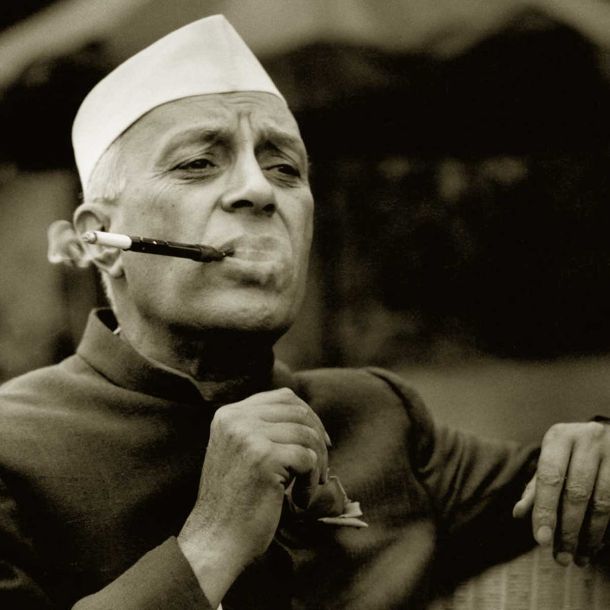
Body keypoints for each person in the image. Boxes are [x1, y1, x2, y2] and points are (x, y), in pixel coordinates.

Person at [1, 14, 609, 610]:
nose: (259, 190)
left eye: (285, 169)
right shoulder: (13, 448)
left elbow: (575, 494)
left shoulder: (379, 418)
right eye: (197, 163)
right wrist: (212, 542)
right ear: (101, 240)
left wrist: (601, 449)